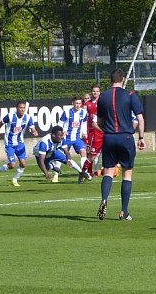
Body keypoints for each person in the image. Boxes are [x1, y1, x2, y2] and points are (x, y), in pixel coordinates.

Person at [94, 68, 145, 221]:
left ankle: (104, 199)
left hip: (109, 138)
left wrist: (108, 131)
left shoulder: (102, 97)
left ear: (110, 80)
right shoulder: (130, 94)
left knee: (108, 171)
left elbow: (99, 122)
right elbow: (140, 118)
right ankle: (124, 211)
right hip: (125, 137)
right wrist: (141, 137)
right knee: (126, 174)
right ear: (122, 79)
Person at [0, 100, 38, 186]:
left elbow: (32, 127)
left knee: (23, 164)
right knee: (12, 165)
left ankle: (14, 179)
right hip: (9, 144)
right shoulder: (10, 116)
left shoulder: (28, 117)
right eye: (20, 108)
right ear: (17, 108)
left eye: (24, 108)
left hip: (20, 143)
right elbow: (0, 123)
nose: (22, 109)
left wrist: (34, 131)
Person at [60, 96, 91, 183]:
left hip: (77, 137)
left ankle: (83, 173)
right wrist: (62, 132)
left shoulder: (83, 112)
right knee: (63, 156)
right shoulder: (67, 112)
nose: (78, 105)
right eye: (76, 103)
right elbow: (60, 123)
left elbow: (84, 123)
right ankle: (55, 175)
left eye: (79, 103)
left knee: (83, 152)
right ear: (72, 103)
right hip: (67, 138)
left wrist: (84, 133)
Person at [82, 85, 102, 178]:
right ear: (91, 92)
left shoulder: (102, 102)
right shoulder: (87, 104)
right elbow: (84, 118)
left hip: (101, 131)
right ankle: (88, 172)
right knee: (90, 152)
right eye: (94, 91)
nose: (95, 93)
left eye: (97, 91)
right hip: (90, 131)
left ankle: (98, 170)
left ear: (99, 92)